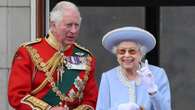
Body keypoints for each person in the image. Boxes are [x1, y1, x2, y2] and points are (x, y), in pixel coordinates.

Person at [8, 1, 98, 110]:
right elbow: (17, 96)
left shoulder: (86, 58)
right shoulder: (28, 52)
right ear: (53, 24)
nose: (74, 31)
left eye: (76, 25)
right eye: (69, 25)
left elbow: (91, 100)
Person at [96, 26, 171, 110]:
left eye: (132, 51)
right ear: (117, 55)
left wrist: (153, 90)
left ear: (141, 53)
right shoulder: (108, 77)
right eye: (122, 51)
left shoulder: (158, 74)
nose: (127, 55)